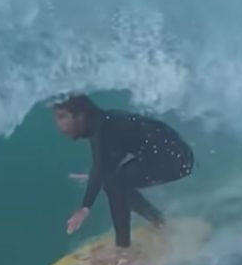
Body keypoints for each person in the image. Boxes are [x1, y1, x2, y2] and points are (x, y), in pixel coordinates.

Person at [52, 94, 194, 248]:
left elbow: (103, 166)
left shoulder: (103, 129)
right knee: (113, 181)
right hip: (173, 153)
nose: (59, 125)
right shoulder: (104, 123)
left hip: (177, 158)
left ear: (80, 115)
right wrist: (96, 178)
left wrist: (86, 207)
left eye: (62, 117)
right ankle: (160, 222)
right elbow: (104, 163)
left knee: (115, 183)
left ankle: (124, 248)